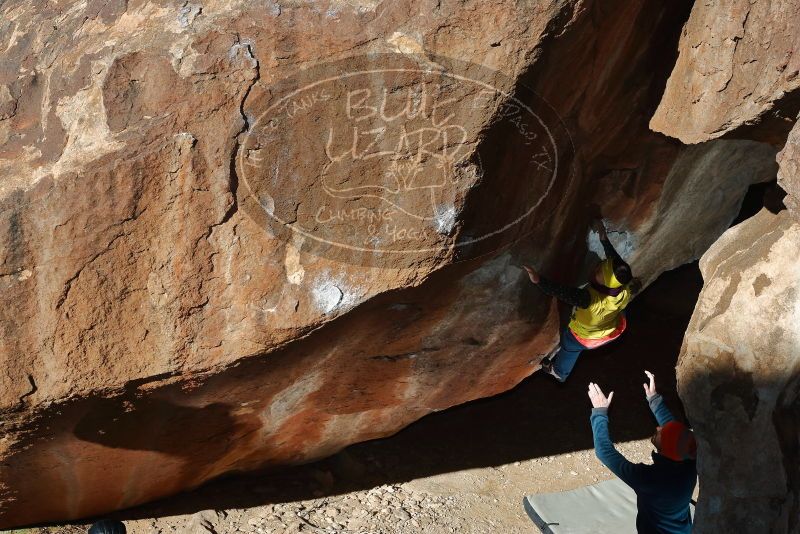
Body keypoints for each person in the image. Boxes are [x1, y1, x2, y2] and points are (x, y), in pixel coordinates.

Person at [524, 219, 637, 382]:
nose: (597, 268)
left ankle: (559, 373)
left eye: (599, 271)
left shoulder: (589, 300)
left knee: (568, 345)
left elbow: (561, 292)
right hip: (615, 327)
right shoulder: (623, 285)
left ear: (604, 281)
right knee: (617, 311)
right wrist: (603, 238)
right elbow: (616, 262)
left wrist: (538, 280)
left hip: (586, 337)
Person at [587, 371, 697, 534]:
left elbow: (605, 452)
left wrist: (599, 412)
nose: (658, 428)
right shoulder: (690, 463)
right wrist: (654, 400)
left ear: (665, 450)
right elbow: (675, 436)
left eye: (661, 433)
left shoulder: (649, 480)